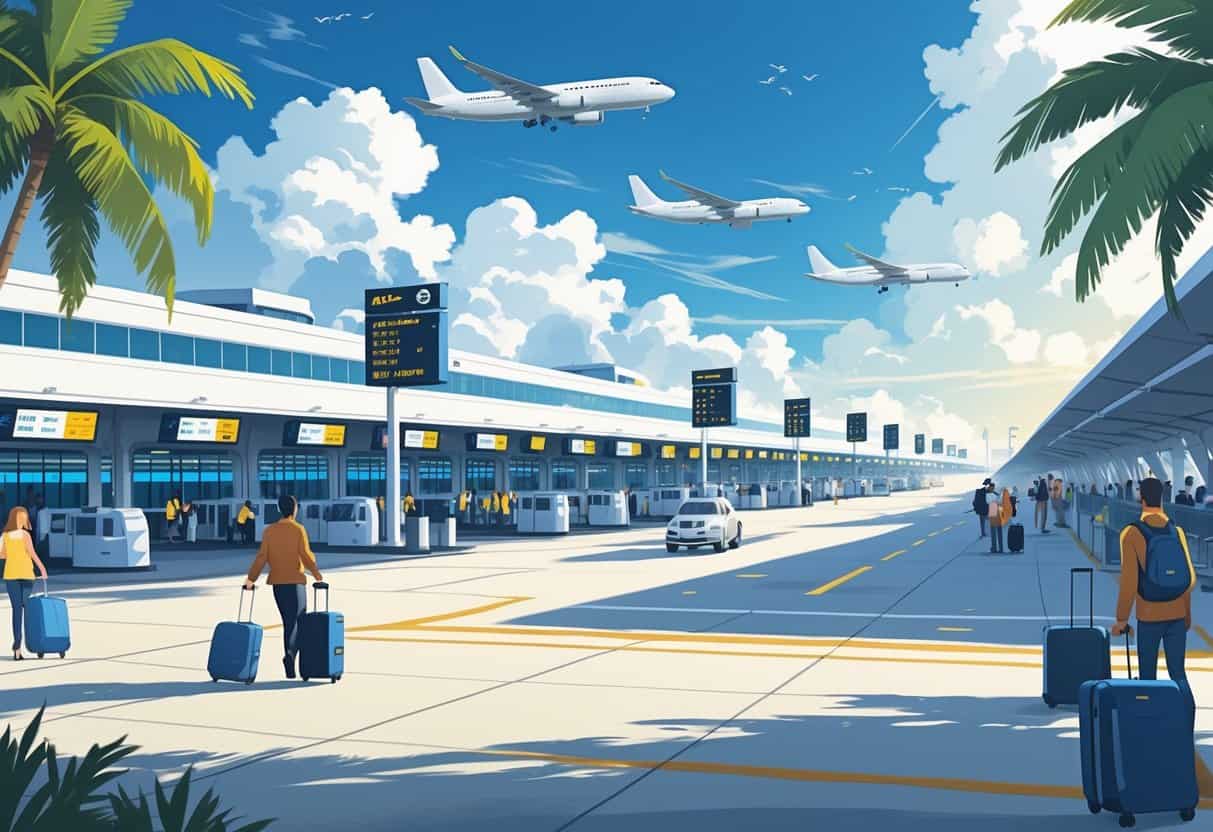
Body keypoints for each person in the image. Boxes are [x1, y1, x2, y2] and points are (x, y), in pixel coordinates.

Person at [1111, 477, 1196, 718]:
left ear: (1141, 497)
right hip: (1177, 614)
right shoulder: (1177, 531)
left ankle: (1152, 727)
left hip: (1150, 616)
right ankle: (1184, 726)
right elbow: (1187, 579)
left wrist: (1121, 619)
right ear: (1163, 497)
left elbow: (1129, 583)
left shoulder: (1131, 533)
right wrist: (1187, 616)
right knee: (1178, 674)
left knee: (1148, 677)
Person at [244, 495, 324, 680]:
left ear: (280, 509)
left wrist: (251, 579)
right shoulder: (298, 529)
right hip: (295, 582)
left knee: (288, 622)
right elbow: (305, 555)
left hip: (278, 584)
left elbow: (262, 557)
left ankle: (290, 656)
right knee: (298, 622)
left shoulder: (269, 531)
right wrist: (317, 574)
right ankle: (292, 657)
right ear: (294, 509)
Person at [2, 507, 48, 661]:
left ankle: (17, 646)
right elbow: (33, 554)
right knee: (27, 608)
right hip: (27, 575)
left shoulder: (5, 536)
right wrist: (42, 569)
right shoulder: (25, 535)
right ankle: (35, 643)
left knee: (17, 610)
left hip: (11, 575)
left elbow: (2, 554)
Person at [986, 482, 1004, 553]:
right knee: (998, 530)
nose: (993, 488)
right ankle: (1000, 548)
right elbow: (1000, 502)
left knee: (994, 531)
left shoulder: (989, 494)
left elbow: (988, 502)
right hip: (997, 509)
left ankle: (994, 548)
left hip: (993, 508)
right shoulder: (995, 494)